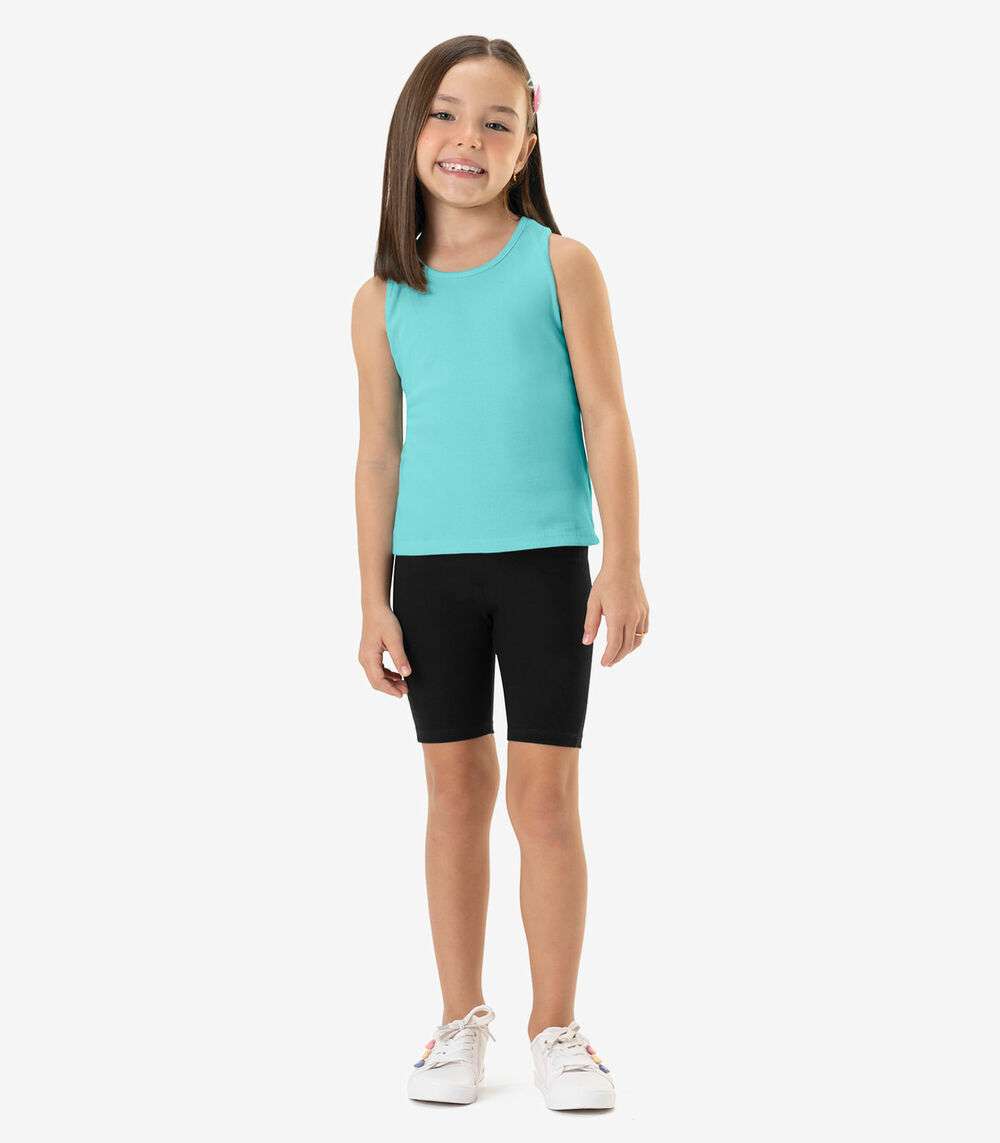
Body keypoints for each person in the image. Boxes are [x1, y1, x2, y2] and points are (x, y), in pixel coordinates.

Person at [352, 35, 648, 1112]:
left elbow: (606, 414)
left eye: (495, 122)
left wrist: (623, 561)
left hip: (545, 568)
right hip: (430, 577)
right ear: (410, 130)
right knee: (454, 793)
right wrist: (372, 599)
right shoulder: (382, 297)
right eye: (444, 114)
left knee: (544, 797)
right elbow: (378, 453)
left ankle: (556, 1025)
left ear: (527, 143)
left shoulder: (561, 265)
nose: (466, 140)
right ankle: (458, 1018)